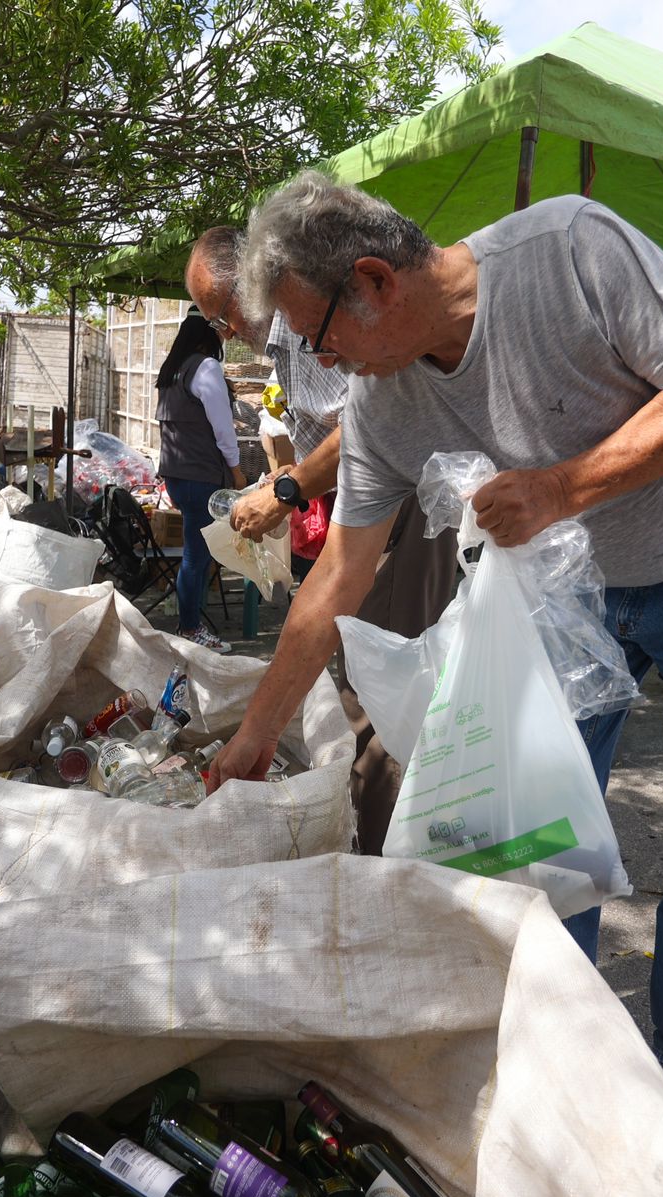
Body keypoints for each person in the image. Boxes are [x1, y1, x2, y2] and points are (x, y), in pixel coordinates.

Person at [217, 172, 663, 1133]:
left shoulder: (570, 251)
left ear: (375, 282)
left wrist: (563, 490)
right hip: (580, 589)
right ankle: (556, 1045)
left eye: (322, 343)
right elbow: (336, 579)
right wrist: (254, 737)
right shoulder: (386, 406)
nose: (328, 371)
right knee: (531, 827)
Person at [186, 227, 457, 849]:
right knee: (360, 665)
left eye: (222, 315)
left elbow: (366, 429)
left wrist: (287, 492)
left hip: (404, 509)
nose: (224, 334)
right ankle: (377, 841)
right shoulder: (290, 342)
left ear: (253, 286)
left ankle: (382, 860)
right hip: (381, 504)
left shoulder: (307, 334)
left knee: (377, 685)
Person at [153, 310, 246, 653]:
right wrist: (236, 471)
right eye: (221, 331)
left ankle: (189, 621)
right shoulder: (206, 368)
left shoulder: (172, 371)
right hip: (202, 477)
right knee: (197, 556)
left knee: (197, 555)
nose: (225, 337)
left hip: (177, 476)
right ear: (209, 334)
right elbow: (223, 428)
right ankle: (190, 628)